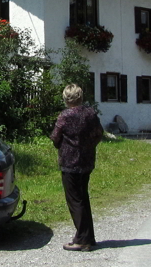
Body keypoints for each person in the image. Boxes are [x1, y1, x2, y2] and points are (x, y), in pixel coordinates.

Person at [50, 83, 103, 252]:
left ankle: (82, 240)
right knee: (83, 198)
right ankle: (89, 237)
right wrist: (89, 146)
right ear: (80, 97)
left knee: (75, 201)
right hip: (86, 161)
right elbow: (98, 133)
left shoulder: (64, 116)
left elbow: (55, 137)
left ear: (66, 98)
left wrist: (61, 145)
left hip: (69, 163)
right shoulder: (90, 114)